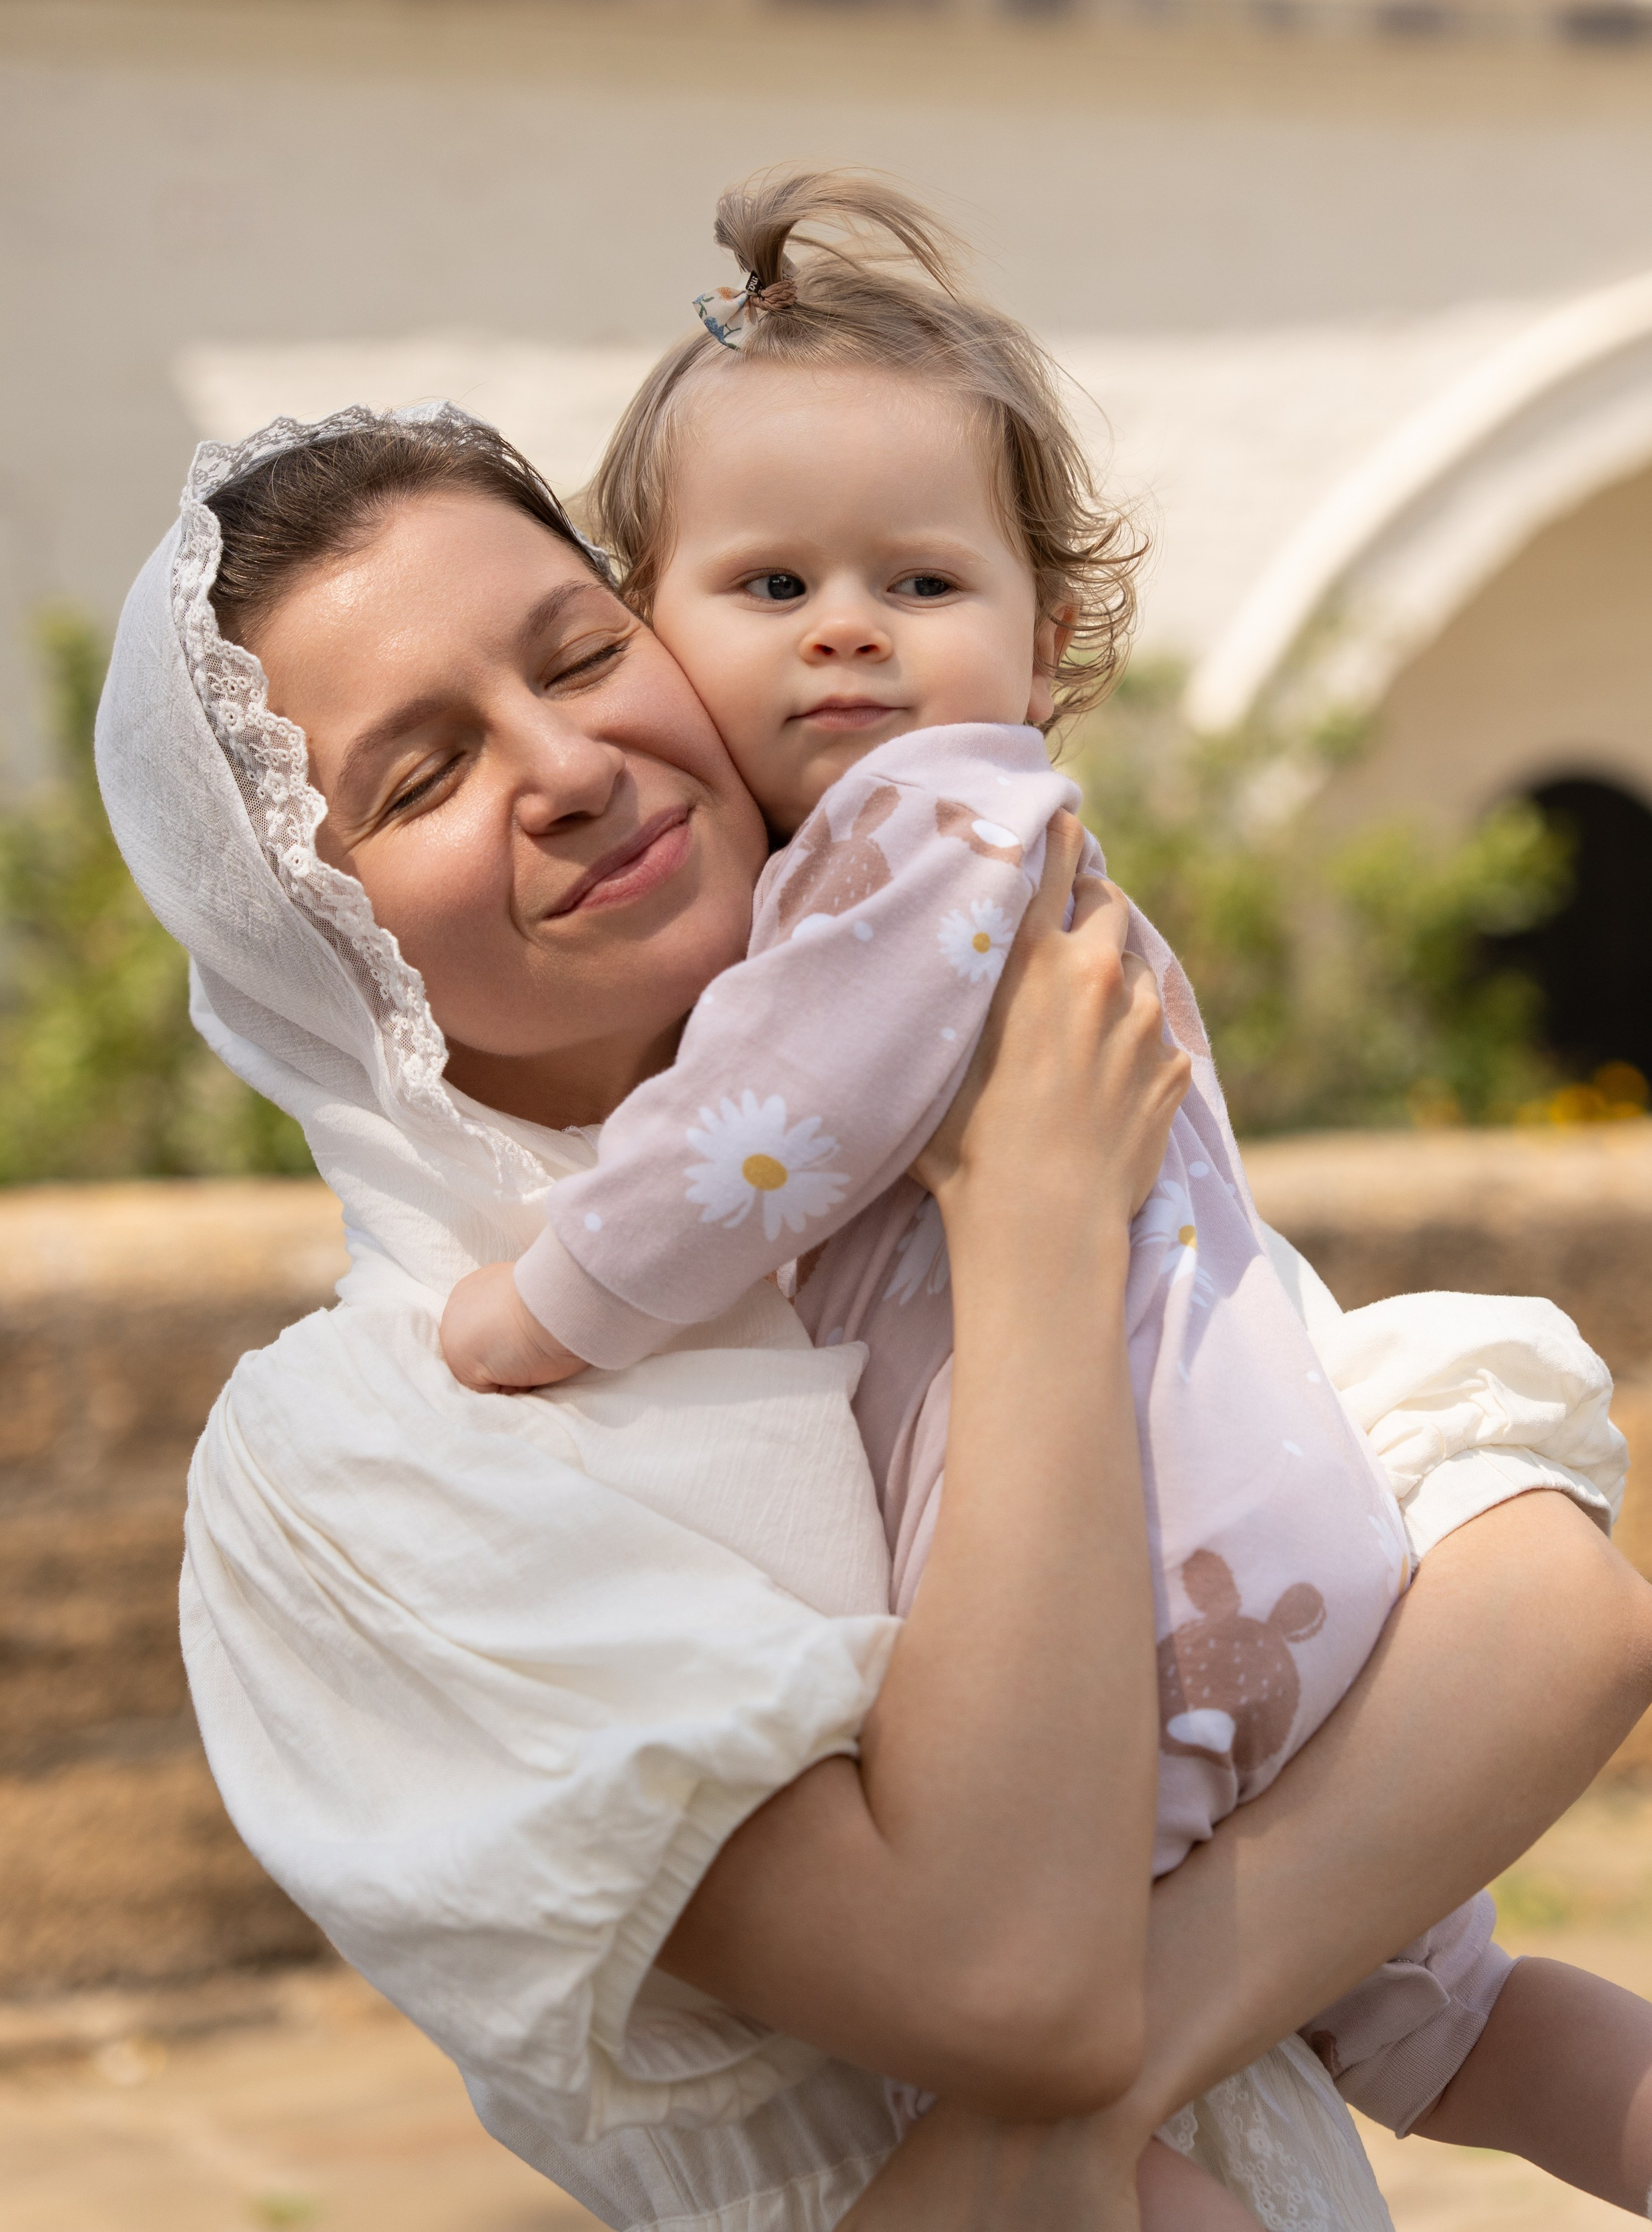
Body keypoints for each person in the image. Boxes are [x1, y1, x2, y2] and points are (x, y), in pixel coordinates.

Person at [96, 399, 1652, 2231]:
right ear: (306, 934)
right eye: (419, 778)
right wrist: (1036, 1231)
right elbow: (1003, 1978)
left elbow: (1550, 1607)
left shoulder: (942, 1101)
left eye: (586, 653)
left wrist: (1080, 2105)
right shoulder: (367, 1445)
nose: (567, 763)